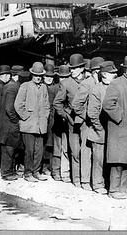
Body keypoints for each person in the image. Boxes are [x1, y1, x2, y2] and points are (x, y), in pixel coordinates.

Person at [102, 55, 127, 199]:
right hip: (119, 128)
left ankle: (123, 188)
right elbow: (107, 104)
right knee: (118, 160)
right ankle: (113, 190)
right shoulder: (116, 83)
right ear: (124, 69)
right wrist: (121, 117)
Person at [53, 54, 87, 188]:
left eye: (75, 68)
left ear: (81, 69)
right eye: (71, 68)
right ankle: (76, 179)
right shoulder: (66, 83)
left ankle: (85, 178)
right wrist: (65, 116)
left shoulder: (88, 82)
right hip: (72, 122)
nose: (72, 71)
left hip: (86, 122)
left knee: (86, 151)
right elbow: (57, 103)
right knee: (75, 151)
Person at [71, 56, 104, 190]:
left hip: (98, 122)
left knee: (98, 154)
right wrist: (86, 117)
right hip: (86, 123)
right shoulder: (87, 83)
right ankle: (85, 181)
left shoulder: (102, 83)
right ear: (95, 71)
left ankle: (97, 180)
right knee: (86, 151)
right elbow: (76, 104)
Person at [14, 62, 50, 182]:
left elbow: (46, 105)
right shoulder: (25, 86)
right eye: (35, 75)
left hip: (41, 125)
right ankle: (28, 173)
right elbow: (18, 104)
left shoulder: (44, 87)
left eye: (40, 75)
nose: (38, 77)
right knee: (29, 150)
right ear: (32, 74)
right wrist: (26, 117)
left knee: (39, 150)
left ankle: (36, 172)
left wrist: (45, 116)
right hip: (28, 125)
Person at [87, 61, 117, 194]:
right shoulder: (97, 89)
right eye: (112, 73)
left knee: (109, 159)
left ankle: (109, 183)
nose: (115, 75)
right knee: (98, 159)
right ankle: (98, 184)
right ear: (104, 75)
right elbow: (92, 113)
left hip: (112, 131)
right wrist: (99, 128)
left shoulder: (115, 87)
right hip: (99, 131)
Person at [0, 66, 26, 181]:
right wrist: (16, 120)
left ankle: (11, 171)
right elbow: (9, 108)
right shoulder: (13, 87)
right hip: (9, 125)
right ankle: (7, 173)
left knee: (11, 149)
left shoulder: (9, 86)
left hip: (6, 124)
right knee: (9, 150)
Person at [52, 65, 72, 182]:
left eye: (66, 77)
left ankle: (65, 171)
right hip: (57, 120)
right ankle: (56, 171)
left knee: (66, 147)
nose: (63, 79)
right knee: (57, 147)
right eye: (61, 77)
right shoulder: (55, 88)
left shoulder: (69, 86)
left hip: (66, 121)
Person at [41, 64, 59, 177]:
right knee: (41, 143)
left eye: (51, 77)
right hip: (42, 118)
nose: (49, 78)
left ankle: (50, 166)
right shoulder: (41, 87)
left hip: (52, 119)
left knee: (51, 144)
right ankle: (42, 166)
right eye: (47, 76)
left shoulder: (56, 88)